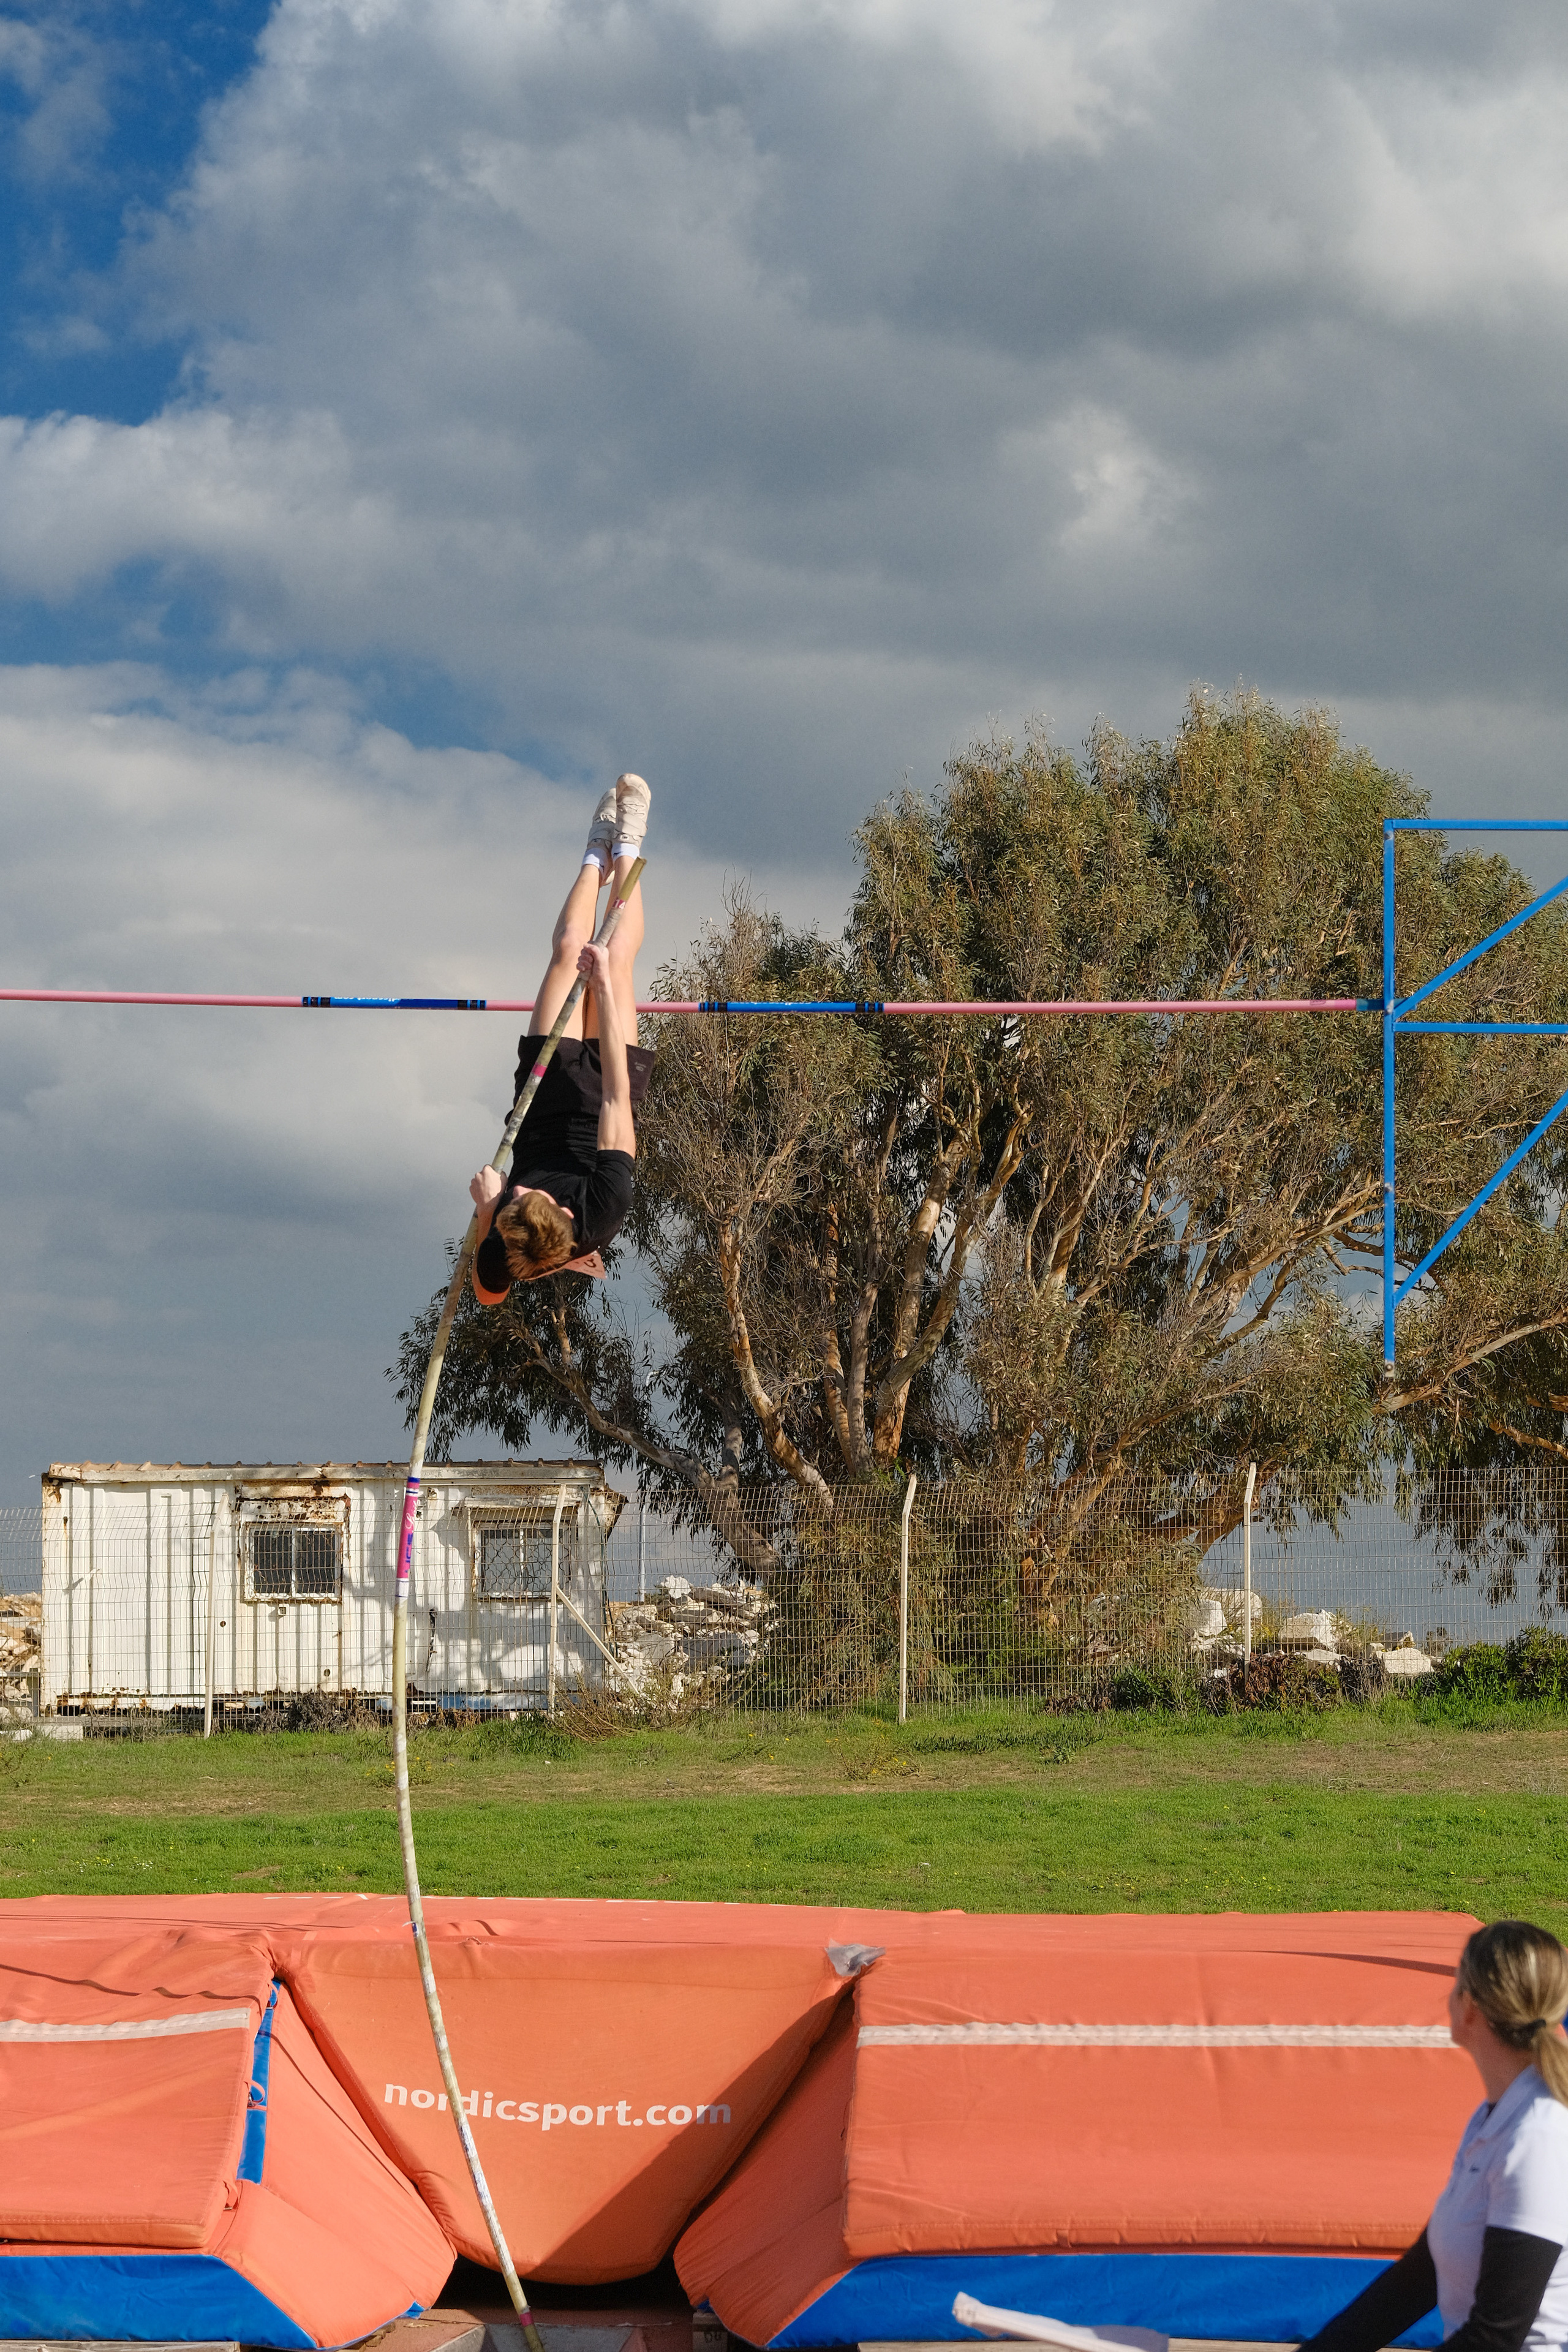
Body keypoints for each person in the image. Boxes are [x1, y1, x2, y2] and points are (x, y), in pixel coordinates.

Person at [1299, 1919, 1568, 2352]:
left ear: (1469, 2008)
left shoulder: (1539, 2139)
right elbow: (1418, 2279)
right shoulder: (1494, 2117)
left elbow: (1496, 2337)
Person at [469, 774, 654, 1302]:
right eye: (521, 1194)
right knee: (613, 958)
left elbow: (489, 1293)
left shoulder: (513, 1229)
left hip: (542, 1097)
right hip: (602, 1095)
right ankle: (630, 843)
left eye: (513, 1196)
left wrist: (488, 1213)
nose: (516, 1187)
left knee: (570, 946)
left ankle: (596, 849)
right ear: (561, 1210)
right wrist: (606, 994)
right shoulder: (603, 1209)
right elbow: (618, 1094)